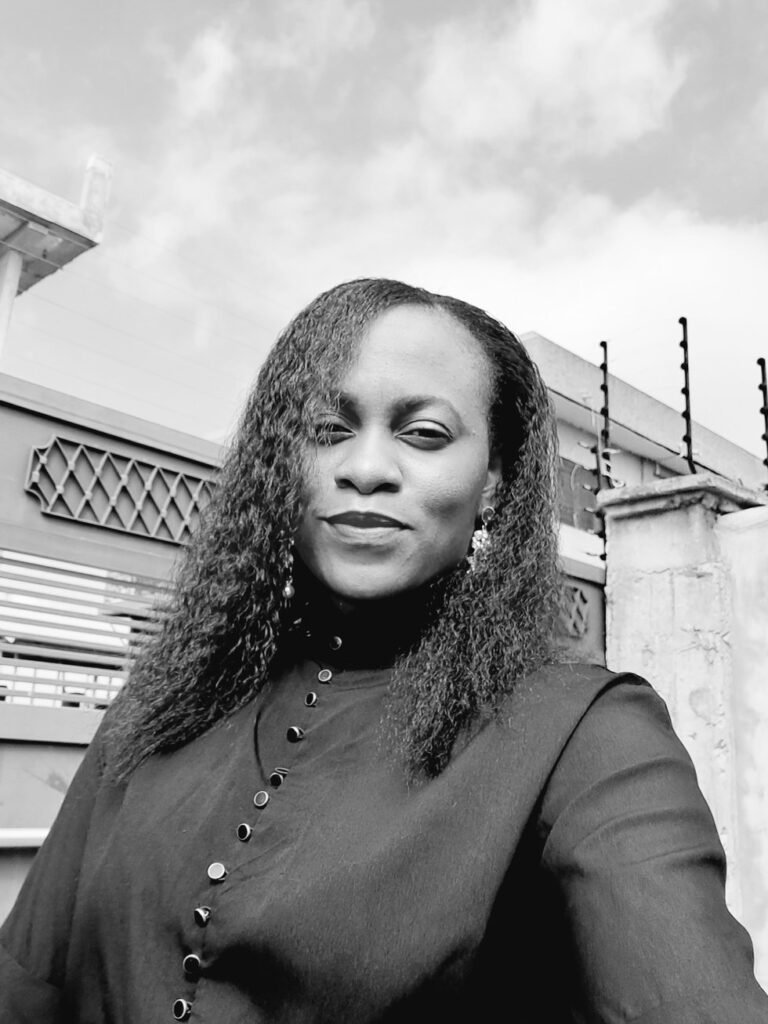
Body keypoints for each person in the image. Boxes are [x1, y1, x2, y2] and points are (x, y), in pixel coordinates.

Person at [0, 278, 766, 1023]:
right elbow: (26, 980)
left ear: (493, 479)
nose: (364, 468)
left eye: (423, 434)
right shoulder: (166, 695)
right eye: (326, 429)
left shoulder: (588, 737)